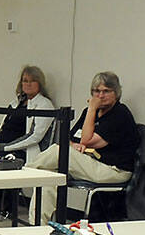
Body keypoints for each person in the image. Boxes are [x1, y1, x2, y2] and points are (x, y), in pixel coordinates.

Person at [28, 71, 139, 222]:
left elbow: (86, 139)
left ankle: (23, 172)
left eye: (106, 91)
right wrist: (74, 145)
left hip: (113, 170)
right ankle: (37, 227)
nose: (100, 95)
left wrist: (92, 109)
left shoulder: (120, 113)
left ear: (116, 93)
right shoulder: (88, 112)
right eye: (96, 91)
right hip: (91, 163)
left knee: (57, 151)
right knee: (48, 177)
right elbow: (68, 139)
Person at [0, 65, 55, 219]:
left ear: (39, 84)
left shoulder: (44, 105)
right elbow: (1, 127)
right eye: (24, 81)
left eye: (32, 81)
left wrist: (4, 147)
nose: (27, 84)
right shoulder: (16, 102)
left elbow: (34, 136)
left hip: (21, 149)